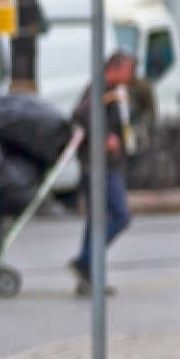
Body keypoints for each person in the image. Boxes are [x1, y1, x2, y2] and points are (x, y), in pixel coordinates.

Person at [69, 49, 137, 296]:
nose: (131, 76)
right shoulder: (101, 90)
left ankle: (89, 278)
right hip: (100, 166)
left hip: (102, 164)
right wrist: (106, 136)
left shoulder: (114, 92)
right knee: (120, 215)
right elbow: (82, 114)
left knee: (96, 219)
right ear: (114, 68)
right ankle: (86, 260)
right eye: (128, 70)